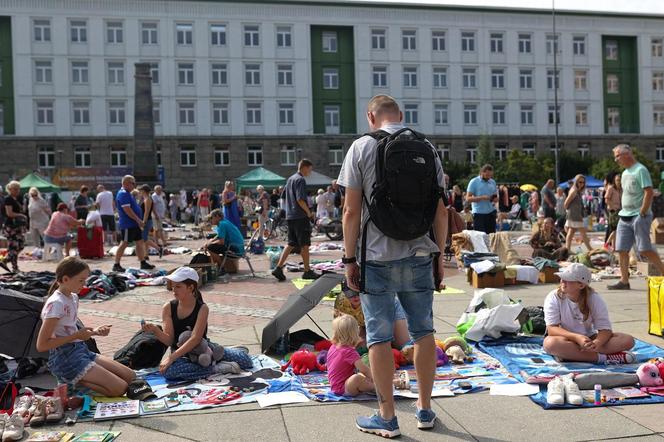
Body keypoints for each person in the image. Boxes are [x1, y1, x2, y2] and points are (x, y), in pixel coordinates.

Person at [339, 95, 448, 437]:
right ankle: (426, 409)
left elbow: (350, 211)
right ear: (401, 115)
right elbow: (441, 210)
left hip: (376, 256)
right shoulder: (427, 148)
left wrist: (349, 259)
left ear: (371, 117)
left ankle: (387, 417)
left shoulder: (361, 147)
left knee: (380, 337)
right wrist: (439, 256)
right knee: (423, 332)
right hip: (419, 254)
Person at [36, 257, 135, 396]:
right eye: (81, 280)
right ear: (65, 279)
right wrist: (77, 335)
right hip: (65, 357)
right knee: (120, 388)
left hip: (81, 349)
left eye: (85, 280)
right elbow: (42, 345)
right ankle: (72, 382)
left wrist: (95, 332)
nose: (84, 285)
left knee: (131, 377)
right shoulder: (56, 303)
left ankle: (77, 381)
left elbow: (69, 328)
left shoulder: (73, 297)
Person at [141, 267, 253, 380]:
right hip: (182, 354)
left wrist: (171, 358)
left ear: (191, 287)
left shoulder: (202, 308)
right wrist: (155, 330)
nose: (174, 290)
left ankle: (227, 354)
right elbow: (170, 340)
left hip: (203, 349)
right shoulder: (168, 307)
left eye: (178, 286)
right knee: (169, 372)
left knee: (246, 362)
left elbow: (195, 338)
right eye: (173, 286)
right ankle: (217, 368)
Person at [543, 263, 635, 363]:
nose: (562, 281)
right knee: (550, 343)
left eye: (568, 279)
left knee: (627, 340)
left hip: (589, 338)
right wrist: (577, 337)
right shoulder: (553, 297)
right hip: (566, 339)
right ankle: (604, 358)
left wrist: (596, 343)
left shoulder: (594, 298)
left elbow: (605, 329)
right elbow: (552, 329)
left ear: (581, 285)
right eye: (562, 278)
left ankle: (572, 355)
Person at [609, 144, 664, 289]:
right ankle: (624, 281)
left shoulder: (640, 170)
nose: (616, 160)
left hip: (639, 216)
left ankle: (663, 273)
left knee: (644, 249)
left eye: (617, 156)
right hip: (625, 216)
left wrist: (642, 212)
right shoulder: (626, 173)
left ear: (627, 154)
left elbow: (649, 192)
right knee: (621, 249)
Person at [271, 159, 319, 282]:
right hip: (300, 216)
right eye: (310, 169)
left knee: (291, 243)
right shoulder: (300, 180)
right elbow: (300, 199)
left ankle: (278, 267)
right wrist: (308, 213)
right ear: (305, 167)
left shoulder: (290, 179)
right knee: (305, 244)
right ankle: (307, 271)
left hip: (290, 215)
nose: (310, 172)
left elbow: (284, 198)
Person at [327, 315, 374, 397]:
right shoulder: (349, 352)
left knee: (360, 376)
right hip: (344, 388)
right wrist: (376, 380)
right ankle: (379, 388)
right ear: (354, 333)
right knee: (357, 378)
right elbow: (364, 370)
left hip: (335, 385)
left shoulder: (333, 346)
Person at [114, 175, 154, 272]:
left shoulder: (128, 193)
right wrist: (138, 220)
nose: (134, 185)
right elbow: (127, 210)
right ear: (126, 183)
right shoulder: (123, 194)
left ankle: (143, 262)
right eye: (133, 183)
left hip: (133, 224)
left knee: (139, 242)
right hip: (128, 224)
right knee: (124, 243)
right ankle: (116, 264)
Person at [2, 181, 28, 272]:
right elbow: (9, 213)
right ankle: (15, 268)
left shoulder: (17, 198)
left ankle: (5, 260)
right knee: (14, 247)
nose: (17, 191)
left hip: (17, 226)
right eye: (15, 189)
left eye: (18, 189)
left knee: (21, 245)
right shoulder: (8, 199)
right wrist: (20, 215)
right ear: (10, 189)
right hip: (10, 226)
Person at [564, 174, 592, 252]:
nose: (581, 184)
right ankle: (590, 249)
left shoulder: (577, 191)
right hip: (574, 215)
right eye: (579, 182)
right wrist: (569, 212)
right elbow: (566, 203)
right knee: (583, 233)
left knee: (571, 232)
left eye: (583, 182)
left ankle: (567, 249)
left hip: (575, 214)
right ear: (576, 181)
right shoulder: (574, 191)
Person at [466, 164, 498, 234]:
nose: (488, 177)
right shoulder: (474, 182)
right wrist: (481, 197)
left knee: (491, 237)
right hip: (478, 214)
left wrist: (495, 199)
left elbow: (495, 196)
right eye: (487, 175)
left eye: (490, 175)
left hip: (491, 213)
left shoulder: (492, 182)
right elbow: (468, 198)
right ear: (481, 172)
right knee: (480, 237)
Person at [139, 185, 161, 258]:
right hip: (147, 220)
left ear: (144, 191)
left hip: (147, 220)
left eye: (141, 190)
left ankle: (159, 248)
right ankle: (146, 255)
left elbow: (147, 212)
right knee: (145, 238)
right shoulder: (146, 198)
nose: (140, 192)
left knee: (144, 239)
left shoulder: (148, 199)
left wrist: (143, 222)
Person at [604, 172, 621, 249]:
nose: (619, 182)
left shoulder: (620, 189)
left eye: (620, 180)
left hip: (619, 211)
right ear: (614, 180)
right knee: (616, 230)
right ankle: (607, 244)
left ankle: (614, 247)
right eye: (617, 180)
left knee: (615, 230)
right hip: (613, 211)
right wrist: (613, 207)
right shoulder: (611, 188)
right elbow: (606, 199)